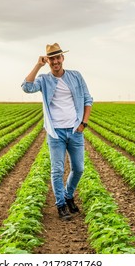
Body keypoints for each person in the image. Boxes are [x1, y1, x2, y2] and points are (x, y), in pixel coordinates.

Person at [21, 43, 93, 220]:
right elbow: (26, 87)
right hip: (56, 133)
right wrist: (38, 65)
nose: (55, 61)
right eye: (51, 58)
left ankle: (68, 195)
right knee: (57, 170)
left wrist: (83, 124)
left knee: (79, 168)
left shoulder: (76, 76)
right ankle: (61, 204)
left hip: (75, 130)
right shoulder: (44, 80)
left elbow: (87, 99)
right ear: (48, 60)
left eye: (57, 57)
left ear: (62, 58)